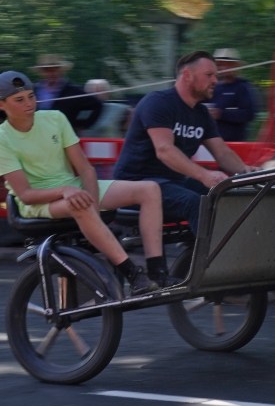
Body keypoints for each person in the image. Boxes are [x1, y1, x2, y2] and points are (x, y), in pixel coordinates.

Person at [0, 70, 165, 295]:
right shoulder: (2, 138)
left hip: (73, 188)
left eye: (31, 96)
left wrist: (92, 200)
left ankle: (158, 272)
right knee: (81, 203)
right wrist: (67, 191)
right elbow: (26, 194)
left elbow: (86, 168)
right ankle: (133, 274)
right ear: (2, 105)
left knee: (150, 189)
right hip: (37, 202)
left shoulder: (55, 118)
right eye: (19, 100)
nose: (29, 103)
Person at [112, 50, 257, 240]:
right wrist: (204, 175)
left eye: (216, 75)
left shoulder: (201, 114)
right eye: (209, 75)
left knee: (226, 194)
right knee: (195, 203)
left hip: (172, 181)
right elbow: (165, 150)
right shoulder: (158, 102)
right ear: (187, 75)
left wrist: (247, 173)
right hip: (136, 183)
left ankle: (230, 250)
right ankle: (213, 263)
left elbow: (222, 153)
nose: (215, 80)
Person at [32, 54, 103, 132]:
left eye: (54, 70)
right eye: (46, 70)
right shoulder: (33, 90)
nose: (50, 73)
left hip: (65, 136)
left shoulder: (74, 91)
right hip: (37, 135)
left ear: (61, 71)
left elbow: (97, 105)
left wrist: (81, 125)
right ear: (41, 72)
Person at [209, 48, 259, 141]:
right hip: (213, 144)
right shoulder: (214, 87)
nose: (223, 67)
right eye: (220, 64)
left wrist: (221, 114)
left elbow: (250, 114)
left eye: (227, 64)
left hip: (235, 143)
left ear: (236, 66)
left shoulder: (243, 87)